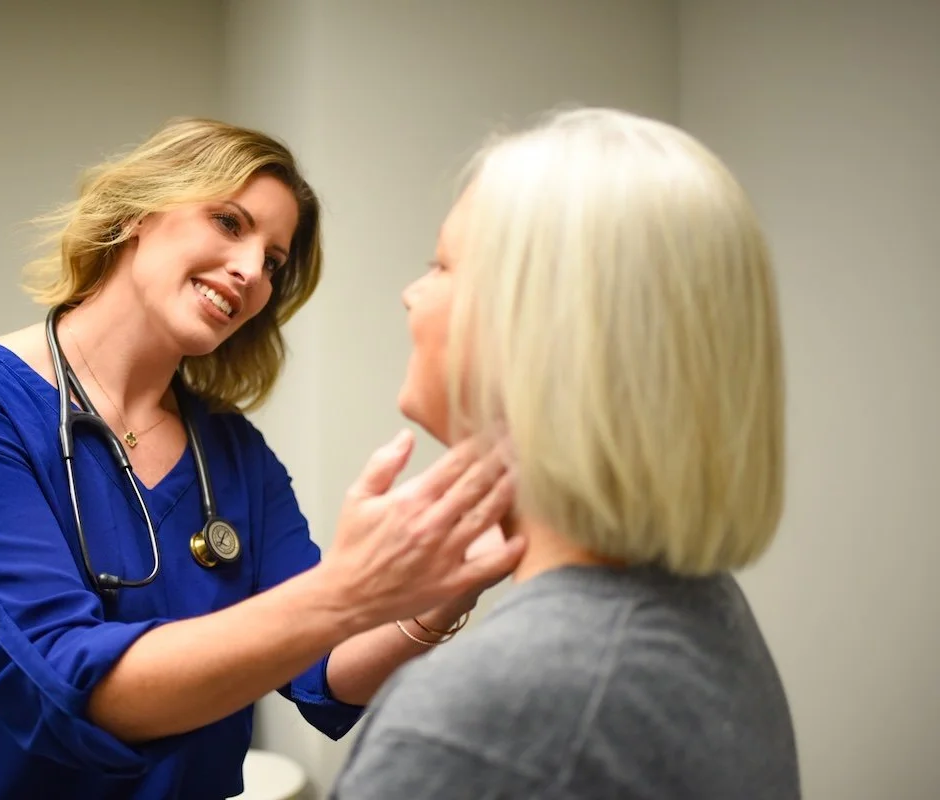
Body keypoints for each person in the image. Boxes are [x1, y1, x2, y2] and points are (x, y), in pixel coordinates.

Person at [0, 117, 525, 799]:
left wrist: (447, 586)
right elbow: (66, 680)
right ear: (137, 213)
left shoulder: (232, 455)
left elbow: (322, 667)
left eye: (274, 262)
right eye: (228, 222)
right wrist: (347, 588)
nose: (251, 272)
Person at [330, 107, 801, 799]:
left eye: (440, 265)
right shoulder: (703, 614)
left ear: (538, 334)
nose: (411, 294)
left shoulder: (487, 716)